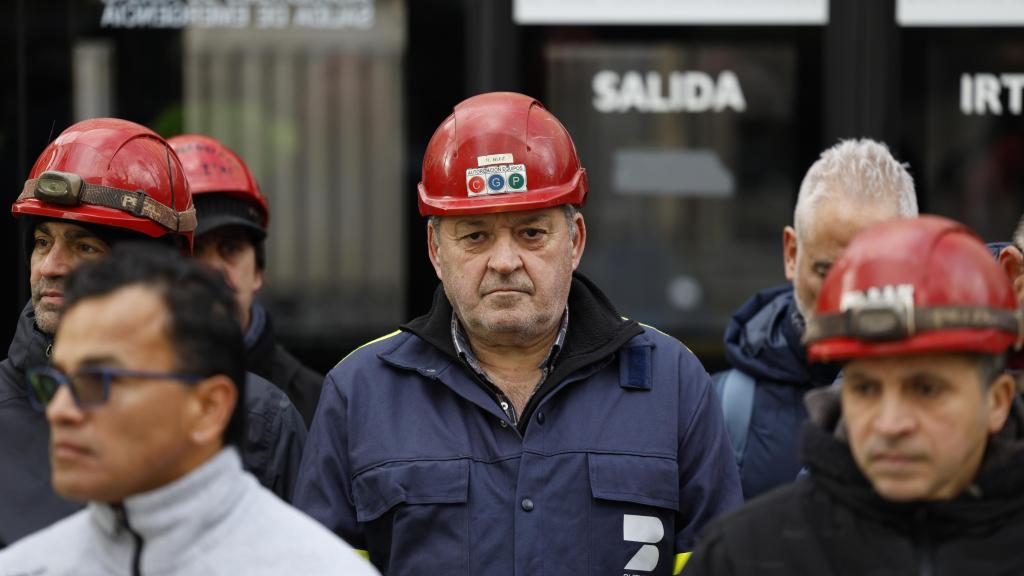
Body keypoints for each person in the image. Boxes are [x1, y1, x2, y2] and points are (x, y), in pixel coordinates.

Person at [293, 91, 741, 576]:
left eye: (531, 233)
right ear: (435, 251)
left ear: (575, 242)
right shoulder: (359, 393)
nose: (504, 262)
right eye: (476, 235)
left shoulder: (672, 384)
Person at [0, 118, 304, 547]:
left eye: (85, 246)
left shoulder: (261, 422)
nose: (51, 267)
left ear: (152, 268)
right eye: (43, 241)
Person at [0, 244, 379, 575]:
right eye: (55, 383)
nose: (60, 411)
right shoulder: (27, 567)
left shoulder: (315, 568)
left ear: (209, 408)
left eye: (98, 381)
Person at [688, 215, 1024, 575]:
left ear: (997, 401)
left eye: (926, 389)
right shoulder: (740, 556)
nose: (891, 424)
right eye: (865, 388)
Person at [714, 139, 918, 499]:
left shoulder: (950, 400)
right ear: (792, 254)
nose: (847, 298)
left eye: (874, 273)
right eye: (828, 271)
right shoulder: (717, 409)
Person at [168, 134, 323, 425]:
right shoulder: (119, 392)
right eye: (193, 249)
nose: (213, 268)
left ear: (258, 272)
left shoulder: (316, 404)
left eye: (230, 249)